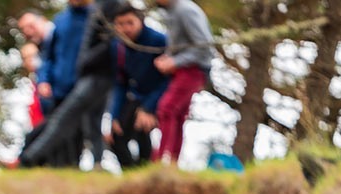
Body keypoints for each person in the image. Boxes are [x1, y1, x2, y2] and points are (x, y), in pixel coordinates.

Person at [19, 0, 121, 169]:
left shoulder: (97, 16)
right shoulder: (60, 21)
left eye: (30, 25)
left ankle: (87, 165)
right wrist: (44, 80)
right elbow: (48, 57)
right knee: (60, 128)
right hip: (60, 88)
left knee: (87, 128)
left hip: (88, 83)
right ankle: (41, 163)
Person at [105, 4, 169, 169]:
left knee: (142, 129)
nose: (125, 28)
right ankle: (131, 174)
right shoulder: (118, 47)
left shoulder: (158, 40)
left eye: (129, 22)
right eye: (120, 24)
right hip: (136, 96)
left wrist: (149, 108)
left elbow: (168, 79)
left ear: (141, 21)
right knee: (114, 136)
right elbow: (120, 83)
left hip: (159, 96)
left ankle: (145, 172)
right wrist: (114, 115)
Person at [153, 0, 215, 165]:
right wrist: (169, 58)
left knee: (167, 109)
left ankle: (160, 160)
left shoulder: (185, 10)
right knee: (177, 115)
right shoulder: (171, 10)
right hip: (184, 69)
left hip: (193, 69)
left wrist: (175, 61)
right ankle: (171, 162)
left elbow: (204, 45)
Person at [21, 43, 47, 129]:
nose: (29, 61)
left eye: (32, 56)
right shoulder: (34, 83)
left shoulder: (46, 80)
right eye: (25, 58)